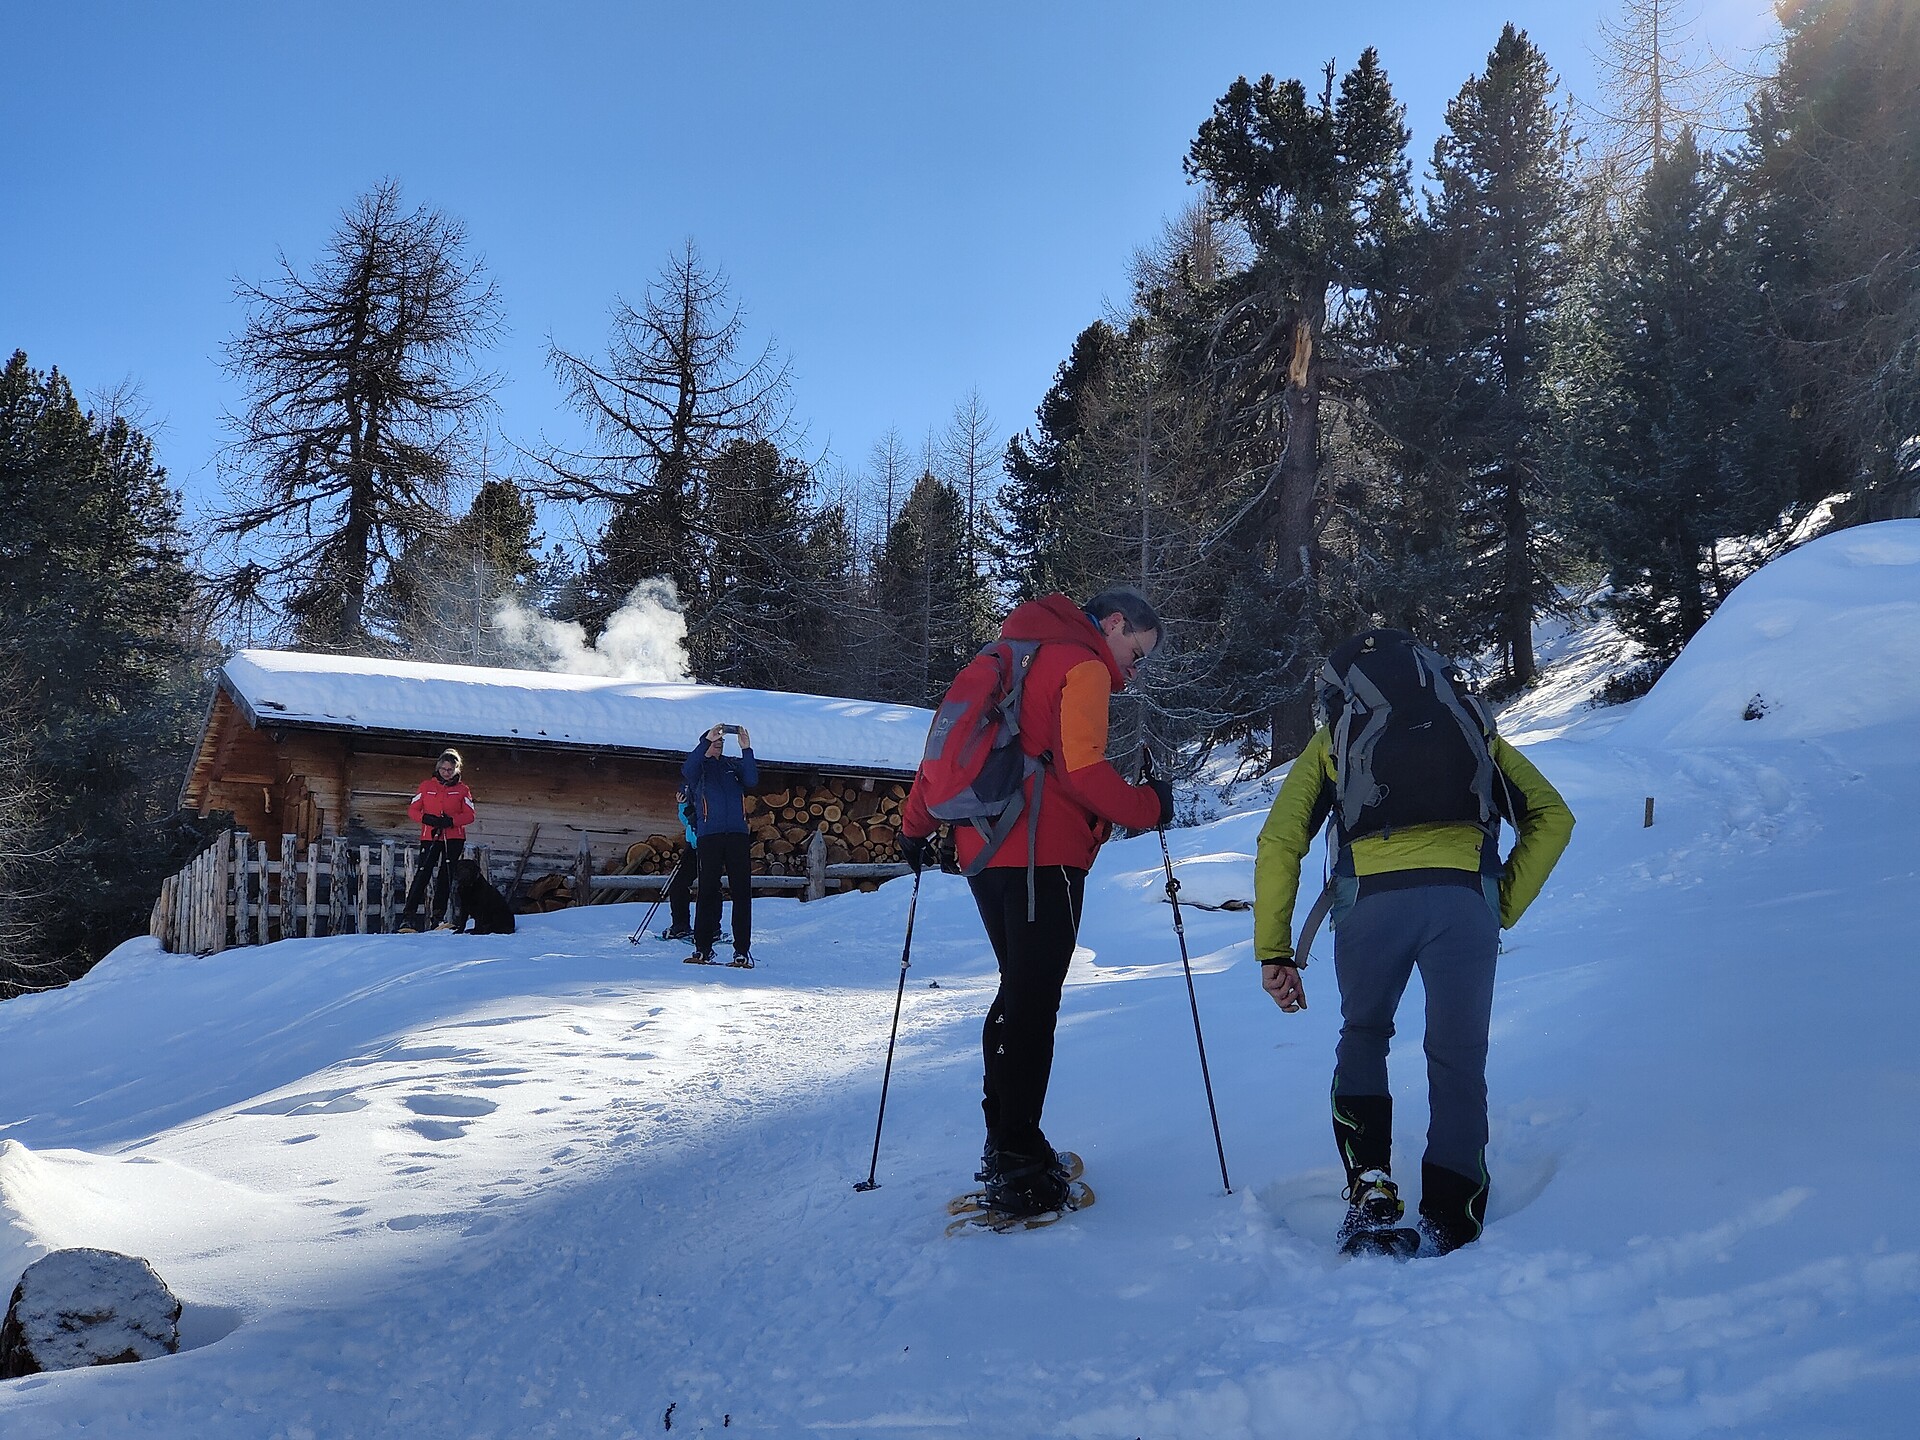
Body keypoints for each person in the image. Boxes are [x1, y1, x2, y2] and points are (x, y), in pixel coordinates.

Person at [1254, 629, 1575, 1255]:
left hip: (1369, 905)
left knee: (1365, 1034)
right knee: (1458, 1057)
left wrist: (1275, 948)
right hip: (1463, 904)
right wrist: (1499, 901)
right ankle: (1453, 1215)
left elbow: (1280, 842)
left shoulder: (1336, 739)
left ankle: (1372, 1189)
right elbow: (1552, 816)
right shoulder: (1470, 728)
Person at [900, 586, 1175, 1217]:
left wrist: (916, 827)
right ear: (1113, 623)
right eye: (1137, 650)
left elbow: (940, 750)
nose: (1134, 670)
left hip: (986, 852)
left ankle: (1010, 1145)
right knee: (1032, 1003)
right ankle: (1018, 1162)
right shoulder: (1079, 664)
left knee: (1019, 992)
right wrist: (1150, 806)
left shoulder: (1009, 652)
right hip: (1039, 856)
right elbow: (1084, 772)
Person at [683, 723, 758, 967]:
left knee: (741, 892)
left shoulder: (731, 766)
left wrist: (746, 749)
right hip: (709, 835)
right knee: (707, 891)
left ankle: (741, 951)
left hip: (736, 834)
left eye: (721, 741)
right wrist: (706, 741)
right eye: (715, 740)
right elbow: (687, 769)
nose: (719, 743)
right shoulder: (699, 768)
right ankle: (702, 949)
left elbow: (752, 779)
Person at [398, 748, 477, 933]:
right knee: (423, 873)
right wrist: (427, 819)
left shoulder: (462, 790)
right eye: (443, 769)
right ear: (438, 768)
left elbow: (470, 815)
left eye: (450, 770)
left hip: (453, 836)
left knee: (445, 876)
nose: (446, 773)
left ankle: (438, 917)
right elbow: (413, 810)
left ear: (457, 770)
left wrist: (451, 821)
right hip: (430, 835)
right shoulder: (426, 786)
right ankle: (408, 917)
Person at [662, 783, 698, 942]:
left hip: (708, 846)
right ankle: (681, 925)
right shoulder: (692, 791)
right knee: (677, 885)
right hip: (692, 846)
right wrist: (683, 804)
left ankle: (712, 928)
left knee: (710, 887)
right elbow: (687, 822)